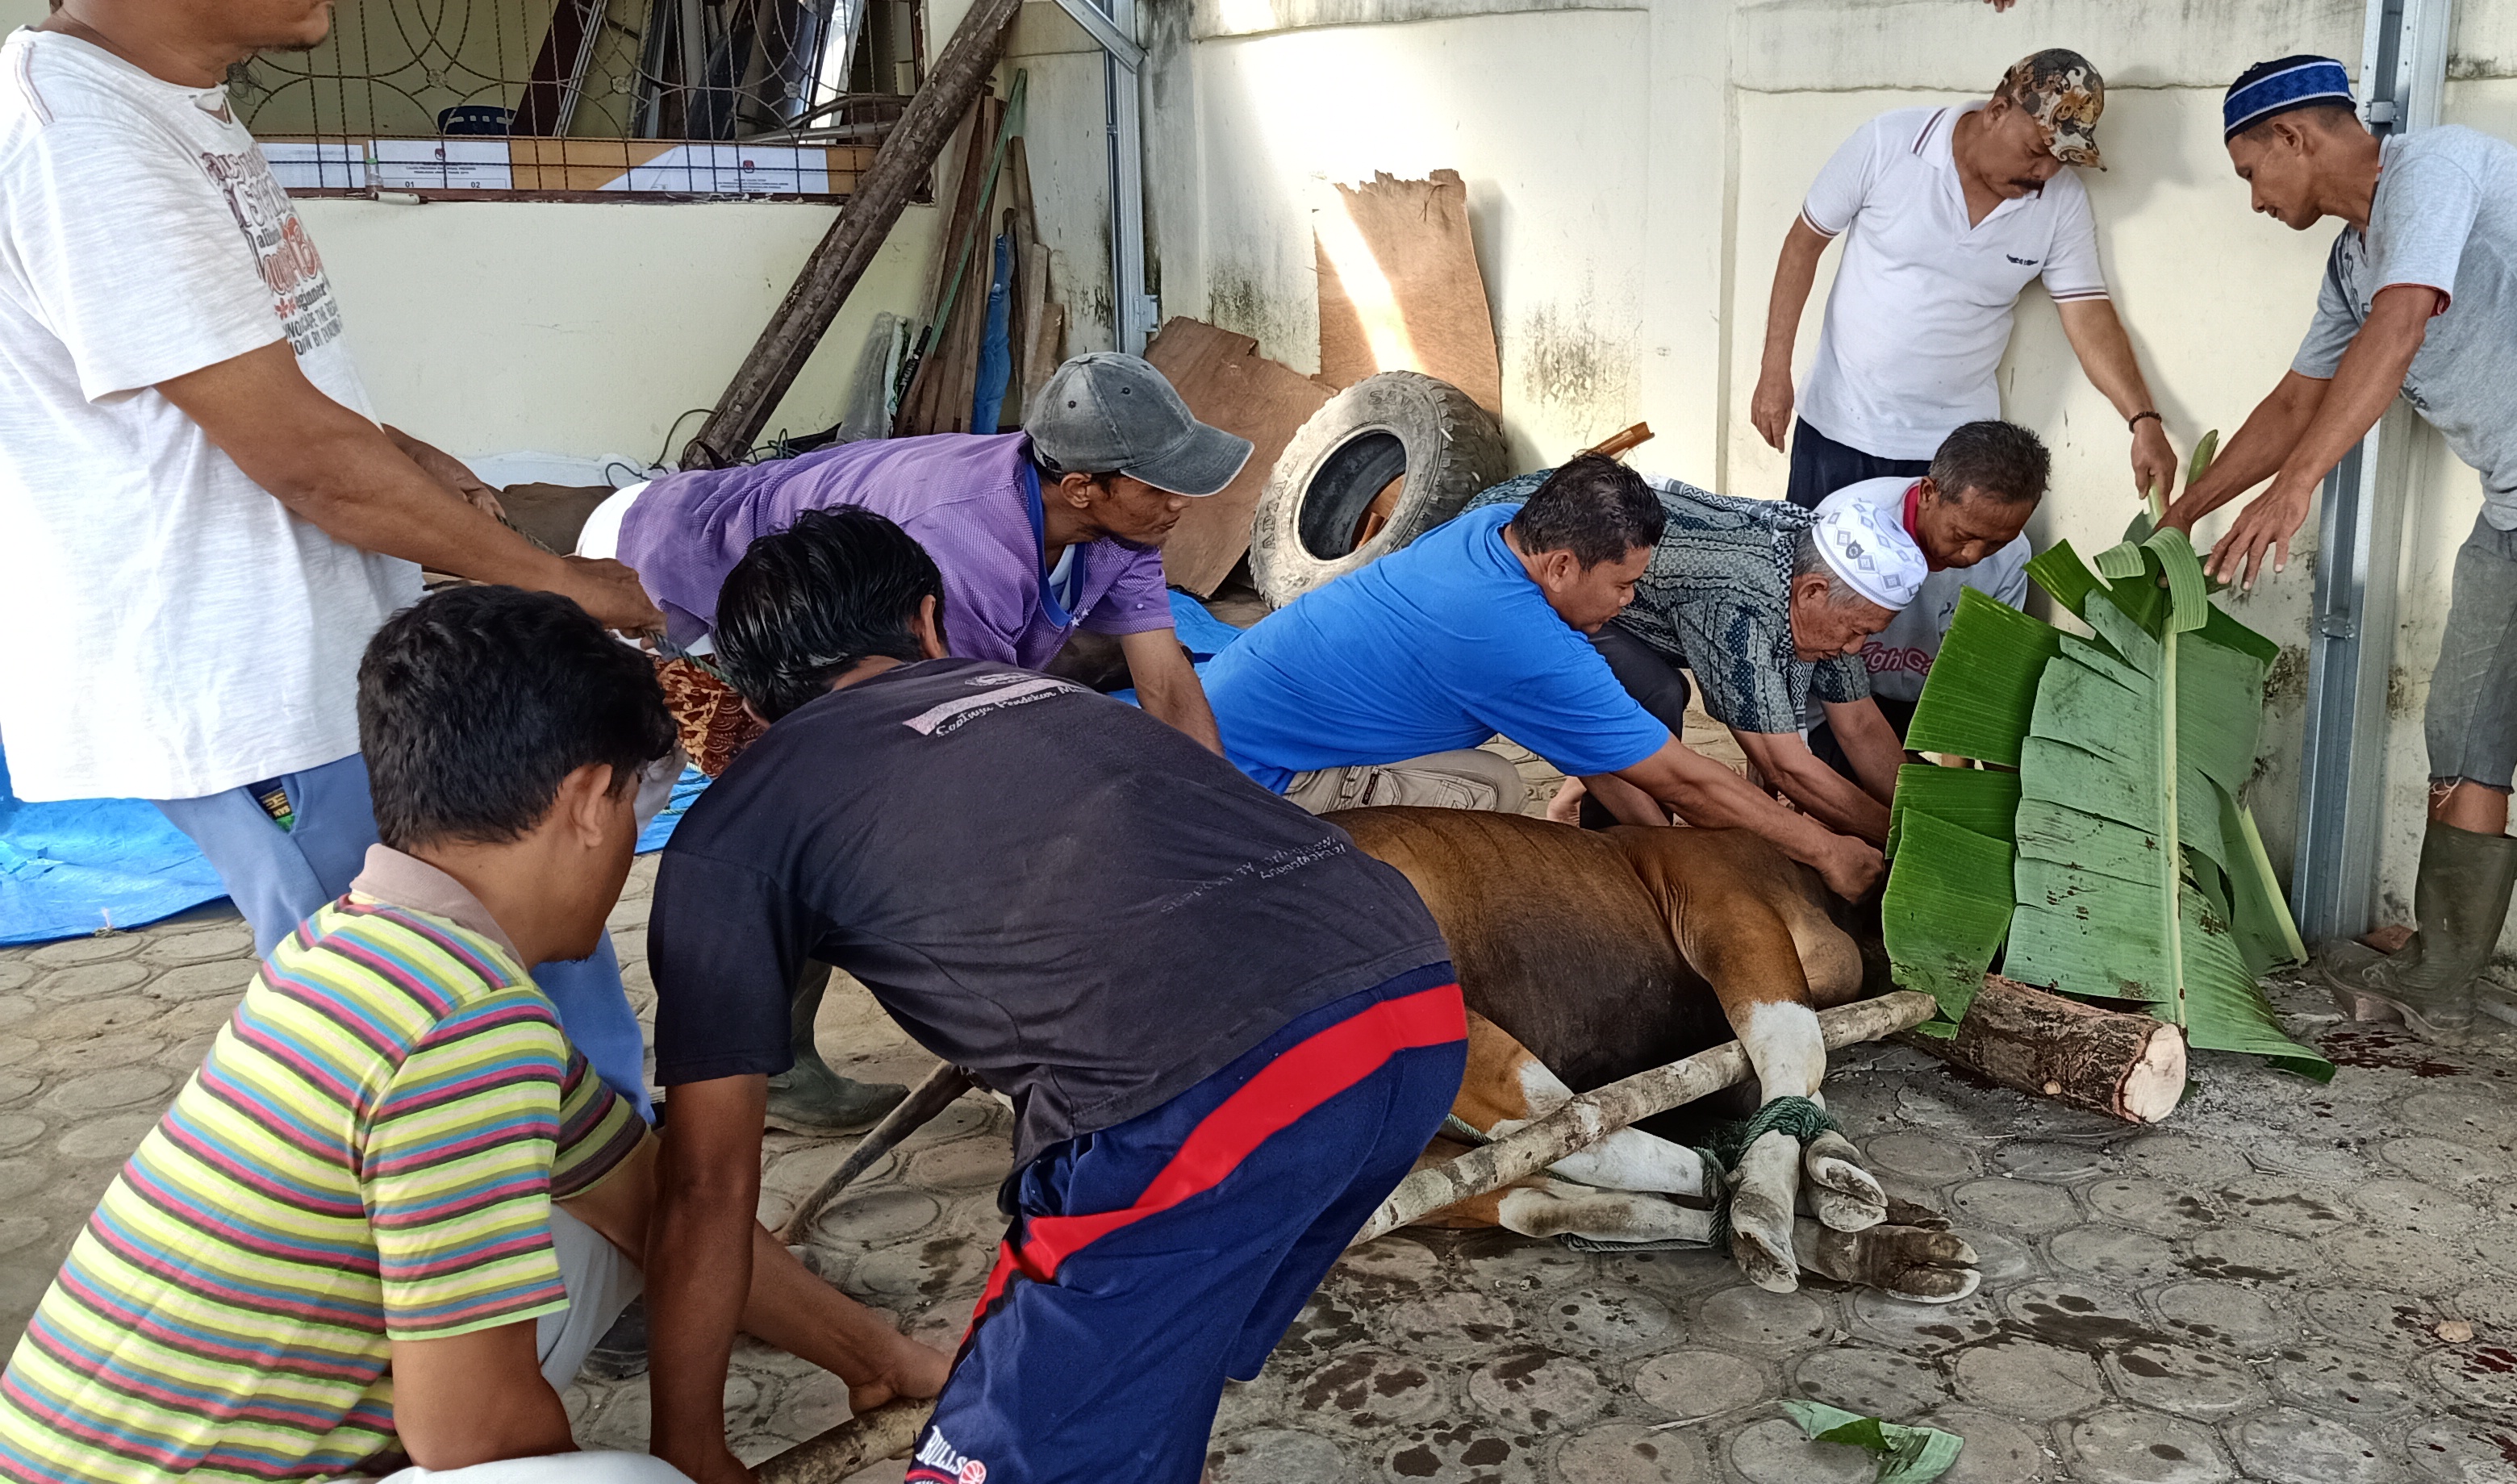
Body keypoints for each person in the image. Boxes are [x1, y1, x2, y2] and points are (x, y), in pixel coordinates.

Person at [0, 586, 945, 1484]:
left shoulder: (359, 946)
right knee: (627, 1480)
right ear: (589, 800)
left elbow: (656, 1196)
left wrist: (878, 1357)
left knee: (612, 1218)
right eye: (632, 805)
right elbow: (470, 1437)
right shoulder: (467, 1025)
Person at [641, 509, 1464, 1484]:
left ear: (749, 692)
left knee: (1012, 1455)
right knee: (1138, 1380)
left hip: (1212, 1095)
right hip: (1413, 1005)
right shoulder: (1048, 695)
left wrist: (689, 1450)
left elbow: (706, 1187)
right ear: (929, 621)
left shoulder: (734, 828)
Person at [0, 0, 666, 1112]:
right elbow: (307, 461)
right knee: (424, 1037)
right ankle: (529, 1209)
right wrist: (560, 581)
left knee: (544, 939)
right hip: (256, 686)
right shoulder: (84, 137)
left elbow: (252, 382)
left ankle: (622, 1181)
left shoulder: (168, 101)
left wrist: (402, 451)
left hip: (338, 659)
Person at [2160, 56, 2517, 1139]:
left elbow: (2402, 325)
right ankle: (2445, 972)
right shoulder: (2351, 261)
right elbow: (2297, 399)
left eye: (2250, 171)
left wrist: (2298, 488)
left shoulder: (2440, 169)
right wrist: (2186, 512)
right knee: (2462, 739)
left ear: (2297, 136)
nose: (2255, 200)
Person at [1200, 455, 1889, 899]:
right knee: (1493, 791)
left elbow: (1603, 753)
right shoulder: (1511, 634)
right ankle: (1352, 908)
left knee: (1574, 742)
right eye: (1624, 585)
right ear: (1561, 566)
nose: (1630, 601)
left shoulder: (1496, 530)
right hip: (1250, 784)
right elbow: (1685, 780)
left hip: (1231, 723)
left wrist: (1674, 855)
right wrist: (1827, 851)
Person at [583, 352, 1243, 757]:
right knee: (737, 762)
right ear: (1079, 488)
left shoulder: (1124, 523)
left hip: (734, 530)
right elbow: (963, 732)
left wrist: (1226, 815)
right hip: (660, 559)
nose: (1180, 502)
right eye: (1161, 485)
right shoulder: (963, 552)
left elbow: (1164, 681)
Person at [1751, 48, 2177, 511]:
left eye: (2063, 159)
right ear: (1997, 111)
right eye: (2037, 150)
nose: (2045, 172)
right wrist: (1774, 372)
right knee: (1814, 556)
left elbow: (2088, 315)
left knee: (1937, 562)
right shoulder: (1889, 143)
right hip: (1838, 427)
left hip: (1951, 454)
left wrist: (2143, 420)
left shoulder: (2061, 203)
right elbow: (1803, 245)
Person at [1498, 469, 1926, 849]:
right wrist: (1898, 841)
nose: (1854, 648)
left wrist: (1918, 819)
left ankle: (1613, 822)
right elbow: (1785, 768)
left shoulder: (1821, 580)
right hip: (1534, 563)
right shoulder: (1738, 603)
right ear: (1812, 591)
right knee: (1655, 692)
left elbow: (1860, 725)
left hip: (1596, 568)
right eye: (1856, 631)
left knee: (1649, 692)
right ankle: (1624, 852)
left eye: (1866, 634)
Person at [1803, 419, 2051, 782]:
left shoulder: (2013, 557)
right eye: (1962, 535)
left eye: (1997, 543)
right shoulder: (1847, 524)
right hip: (1834, 708)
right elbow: (1853, 723)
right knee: (1866, 794)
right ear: (1928, 493)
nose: (1973, 556)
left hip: (1918, 707)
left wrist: (1955, 786)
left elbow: (1971, 684)